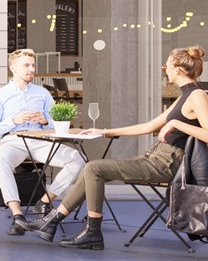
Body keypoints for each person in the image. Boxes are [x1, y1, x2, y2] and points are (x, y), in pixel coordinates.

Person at [24, 45, 208, 249]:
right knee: (90, 170)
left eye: (167, 65)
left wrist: (175, 124)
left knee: (94, 168)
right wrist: (104, 131)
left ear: (179, 70)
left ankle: (91, 232)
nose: (164, 69)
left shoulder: (197, 96)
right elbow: (148, 126)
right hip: (156, 158)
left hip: (168, 165)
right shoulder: (185, 96)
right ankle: (52, 222)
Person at [0, 49, 85, 235]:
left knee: (77, 158)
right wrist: (13, 121)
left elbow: (59, 124)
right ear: (13, 68)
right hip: (13, 140)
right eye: (26, 65)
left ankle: (44, 201)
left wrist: (46, 121)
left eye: (33, 65)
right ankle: (17, 215)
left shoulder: (43, 94)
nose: (31, 69)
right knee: (1, 158)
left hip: (40, 140)